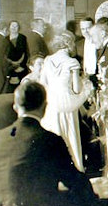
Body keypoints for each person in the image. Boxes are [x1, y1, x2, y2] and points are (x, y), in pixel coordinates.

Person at [40, 31, 93, 171]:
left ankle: (53, 170)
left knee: (54, 135)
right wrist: (84, 83)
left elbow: (42, 83)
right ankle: (75, 168)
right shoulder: (72, 62)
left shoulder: (47, 60)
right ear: (69, 44)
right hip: (67, 102)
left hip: (51, 103)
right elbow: (76, 89)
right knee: (70, 136)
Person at [5, 20, 29, 92]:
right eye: (12, 26)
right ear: (9, 27)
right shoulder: (5, 39)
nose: (14, 28)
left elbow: (26, 52)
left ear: (18, 28)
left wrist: (21, 65)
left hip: (22, 68)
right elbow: (4, 55)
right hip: (10, 68)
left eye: (16, 26)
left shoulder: (23, 38)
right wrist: (12, 65)